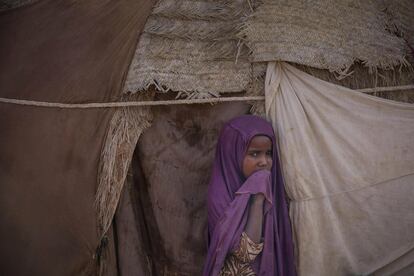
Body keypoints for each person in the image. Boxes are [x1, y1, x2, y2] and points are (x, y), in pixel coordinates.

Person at [203, 115, 296, 276]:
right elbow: (246, 253)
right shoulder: (219, 195)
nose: (264, 162)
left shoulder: (274, 188)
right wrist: (258, 199)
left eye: (268, 153)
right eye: (254, 154)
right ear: (233, 154)